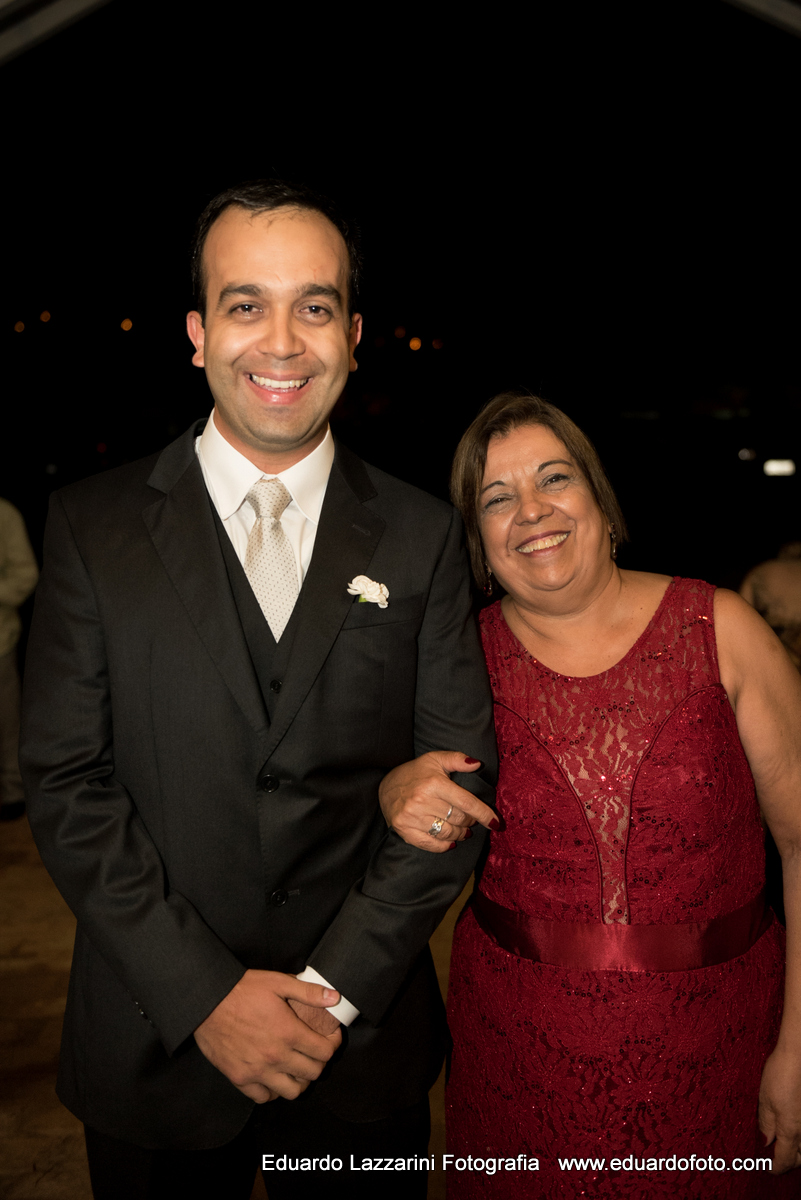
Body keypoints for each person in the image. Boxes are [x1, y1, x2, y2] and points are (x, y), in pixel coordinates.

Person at [19, 180, 497, 1200]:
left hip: (356, 1055)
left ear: (354, 333)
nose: (281, 341)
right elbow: (67, 784)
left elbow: (458, 788)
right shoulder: (92, 530)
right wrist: (208, 998)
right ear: (196, 334)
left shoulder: (419, 537)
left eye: (314, 306)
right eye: (246, 304)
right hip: (156, 1043)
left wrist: (325, 996)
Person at [380, 392, 801, 1198]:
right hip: (520, 1066)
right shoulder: (455, 664)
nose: (530, 512)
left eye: (553, 479)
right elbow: (380, 788)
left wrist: (797, 1048)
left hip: (722, 1052)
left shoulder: (722, 627)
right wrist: (389, 787)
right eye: (496, 499)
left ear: (600, 501)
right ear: (477, 542)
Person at [0, 496, 38, 821]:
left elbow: (26, 573)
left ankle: (12, 791)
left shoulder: (4, 514)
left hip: (0, 640)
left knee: (7, 720)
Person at [740, 542, 801, 671]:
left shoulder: (763, 570)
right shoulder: (764, 571)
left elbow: (742, 615)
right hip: (782, 646)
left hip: (778, 648)